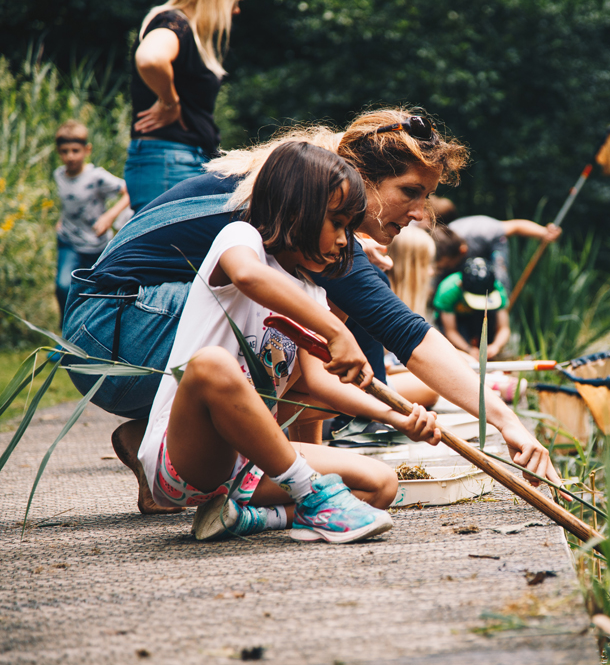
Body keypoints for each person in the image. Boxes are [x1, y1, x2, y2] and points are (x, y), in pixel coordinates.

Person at [62, 109, 560, 514]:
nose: (419, 215)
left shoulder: (310, 208)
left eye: (427, 198)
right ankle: (243, 469)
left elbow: (322, 381)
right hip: (107, 328)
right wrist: (505, 420)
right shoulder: (300, 217)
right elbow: (411, 335)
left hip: (114, 331)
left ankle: (159, 447)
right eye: (409, 192)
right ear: (360, 179)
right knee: (268, 341)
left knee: (291, 354)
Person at [140, 141, 441, 543]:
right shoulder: (239, 240)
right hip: (189, 459)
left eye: (350, 228)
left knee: (381, 485)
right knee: (212, 364)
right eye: (337, 224)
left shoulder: (312, 293)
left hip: (253, 463)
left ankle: (248, 518)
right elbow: (249, 277)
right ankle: (313, 496)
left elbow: (321, 384)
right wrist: (337, 332)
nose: (344, 242)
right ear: (299, 212)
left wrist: (396, 417)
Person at [124, 0, 243, 212]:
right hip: (170, 161)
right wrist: (170, 102)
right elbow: (150, 58)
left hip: (181, 159)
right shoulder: (173, 23)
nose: (237, 11)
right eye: (235, 2)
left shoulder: (187, 31)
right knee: (166, 245)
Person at [52, 120, 130, 321]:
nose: (70, 156)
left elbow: (128, 191)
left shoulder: (97, 177)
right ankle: (65, 334)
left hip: (96, 244)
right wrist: (62, 219)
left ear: (87, 150)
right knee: (63, 286)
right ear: (58, 152)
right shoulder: (59, 175)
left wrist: (109, 216)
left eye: (75, 150)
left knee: (93, 291)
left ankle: (90, 331)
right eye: (64, 151)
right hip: (68, 241)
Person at [429, 196, 562, 290]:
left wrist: (544, 232)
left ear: (462, 250)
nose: (443, 269)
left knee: (498, 281)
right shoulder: (440, 240)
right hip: (461, 257)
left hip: (492, 246)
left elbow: (515, 226)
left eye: (446, 265)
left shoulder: (483, 230)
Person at [384, 226, 438, 409]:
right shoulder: (382, 307)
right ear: (409, 266)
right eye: (427, 263)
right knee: (430, 387)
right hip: (359, 389)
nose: (431, 272)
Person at [434, 257, 510, 361]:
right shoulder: (448, 290)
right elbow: (450, 330)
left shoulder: (497, 289)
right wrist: (468, 349)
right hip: (458, 320)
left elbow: (503, 328)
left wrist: (495, 346)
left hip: (483, 317)